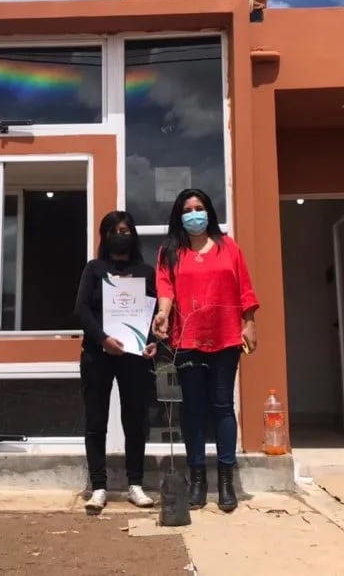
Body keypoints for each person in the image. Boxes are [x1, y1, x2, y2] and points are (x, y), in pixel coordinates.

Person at [151, 189, 259, 512]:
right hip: (187, 338)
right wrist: (163, 313)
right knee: (193, 409)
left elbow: (245, 288)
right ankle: (197, 479)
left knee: (223, 405)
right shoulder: (170, 251)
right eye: (188, 209)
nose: (194, 214)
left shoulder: (230, 248)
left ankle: (226, 481)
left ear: (209, 212)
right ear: (179, 215)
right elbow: (166, 287)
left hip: (226, 336)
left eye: (199, 208)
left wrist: (249, 323)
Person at [75, 210, 158, 514]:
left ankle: (135, 484)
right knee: (96, 422)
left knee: (135, 421)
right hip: (98, 355)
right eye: (114, 230)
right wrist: (102, 339)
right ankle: (98, 487)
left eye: (126, 230)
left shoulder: (146, 272)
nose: (121, 235)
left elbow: (154, 315)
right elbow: (81, 310)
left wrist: (152, 341)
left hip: (135, 358)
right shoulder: (94, 269)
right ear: (105, 235)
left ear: (133, 235)